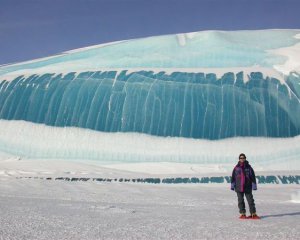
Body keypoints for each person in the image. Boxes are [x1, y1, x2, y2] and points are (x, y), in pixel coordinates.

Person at [231, 153, 259, 219]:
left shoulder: (249, 168)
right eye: (241, 158)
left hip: (247, 187)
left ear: (245, 158)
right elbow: (233, 177)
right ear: (239, 159)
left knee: (250, 201)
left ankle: (253, 214)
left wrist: (254, 186)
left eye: (243, 158)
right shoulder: (236, 168)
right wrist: (232, 186)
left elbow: (253, 177)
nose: (242, 159)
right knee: (240, 201)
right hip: (238, 187)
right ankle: (242, 214)